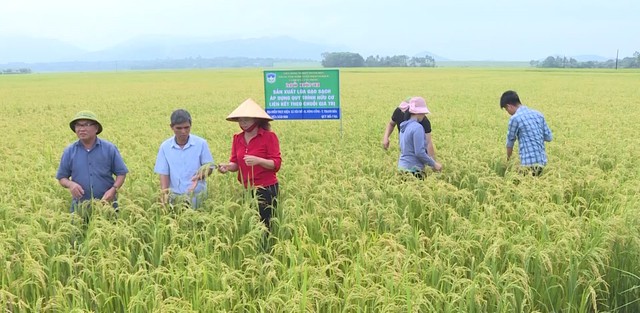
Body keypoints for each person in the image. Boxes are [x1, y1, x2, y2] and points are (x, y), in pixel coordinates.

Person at [218, 98, 281, 231]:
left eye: (247, 119)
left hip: (266, 189)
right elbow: (235, 163)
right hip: (247, 189)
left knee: (265, 226)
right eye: (240, 119)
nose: (243, 122)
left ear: (256, 120)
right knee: (252, 224)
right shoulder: (237, 138)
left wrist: (259, 160)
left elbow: (276, 164)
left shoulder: (269, 137)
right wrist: (227, 167)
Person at [56, 110, 128, 212]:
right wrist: (71, 184)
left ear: (96, 128)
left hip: (107, 205)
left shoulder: (109, 149)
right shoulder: (69, 151)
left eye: (86, 125)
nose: (81, 129)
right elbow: (62, 177)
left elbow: (121, 173)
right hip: (80, 207)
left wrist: (113, 190)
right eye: (78, 125)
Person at [154, 109, 215, 208]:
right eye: (179, 128)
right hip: (175, 197)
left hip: (197, 196)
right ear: (172, 127)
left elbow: (209, 167)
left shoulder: (201, 144)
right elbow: (164, 173)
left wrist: (199, 176)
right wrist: (164, 194)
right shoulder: (165, 147)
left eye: (187, 127)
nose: (183, 131)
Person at [500, 90, 553, 176]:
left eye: (506, 110)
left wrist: (508, 161)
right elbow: (549, 138)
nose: (508, 112)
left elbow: (510, 142)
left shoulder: (515, 118)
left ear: (509, 106)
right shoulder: (538, 114)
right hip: (542, 162)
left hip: (528, 165)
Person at [398, 98, 443, 178]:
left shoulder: (403, 126)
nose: (424, 115)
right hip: (414, 170)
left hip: (401, 168)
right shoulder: (417, 127)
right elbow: (419, 152)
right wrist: (434, 164)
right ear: (418, 112)